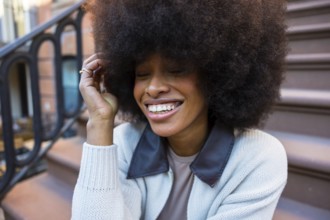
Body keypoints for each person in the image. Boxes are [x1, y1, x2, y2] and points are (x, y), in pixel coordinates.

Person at [72, 0, 288, 219]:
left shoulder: (258, 158)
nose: (154, 88)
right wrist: (99, 122)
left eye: (176, 70)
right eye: (142, 74)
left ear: (215, 74)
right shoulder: (123, 144)